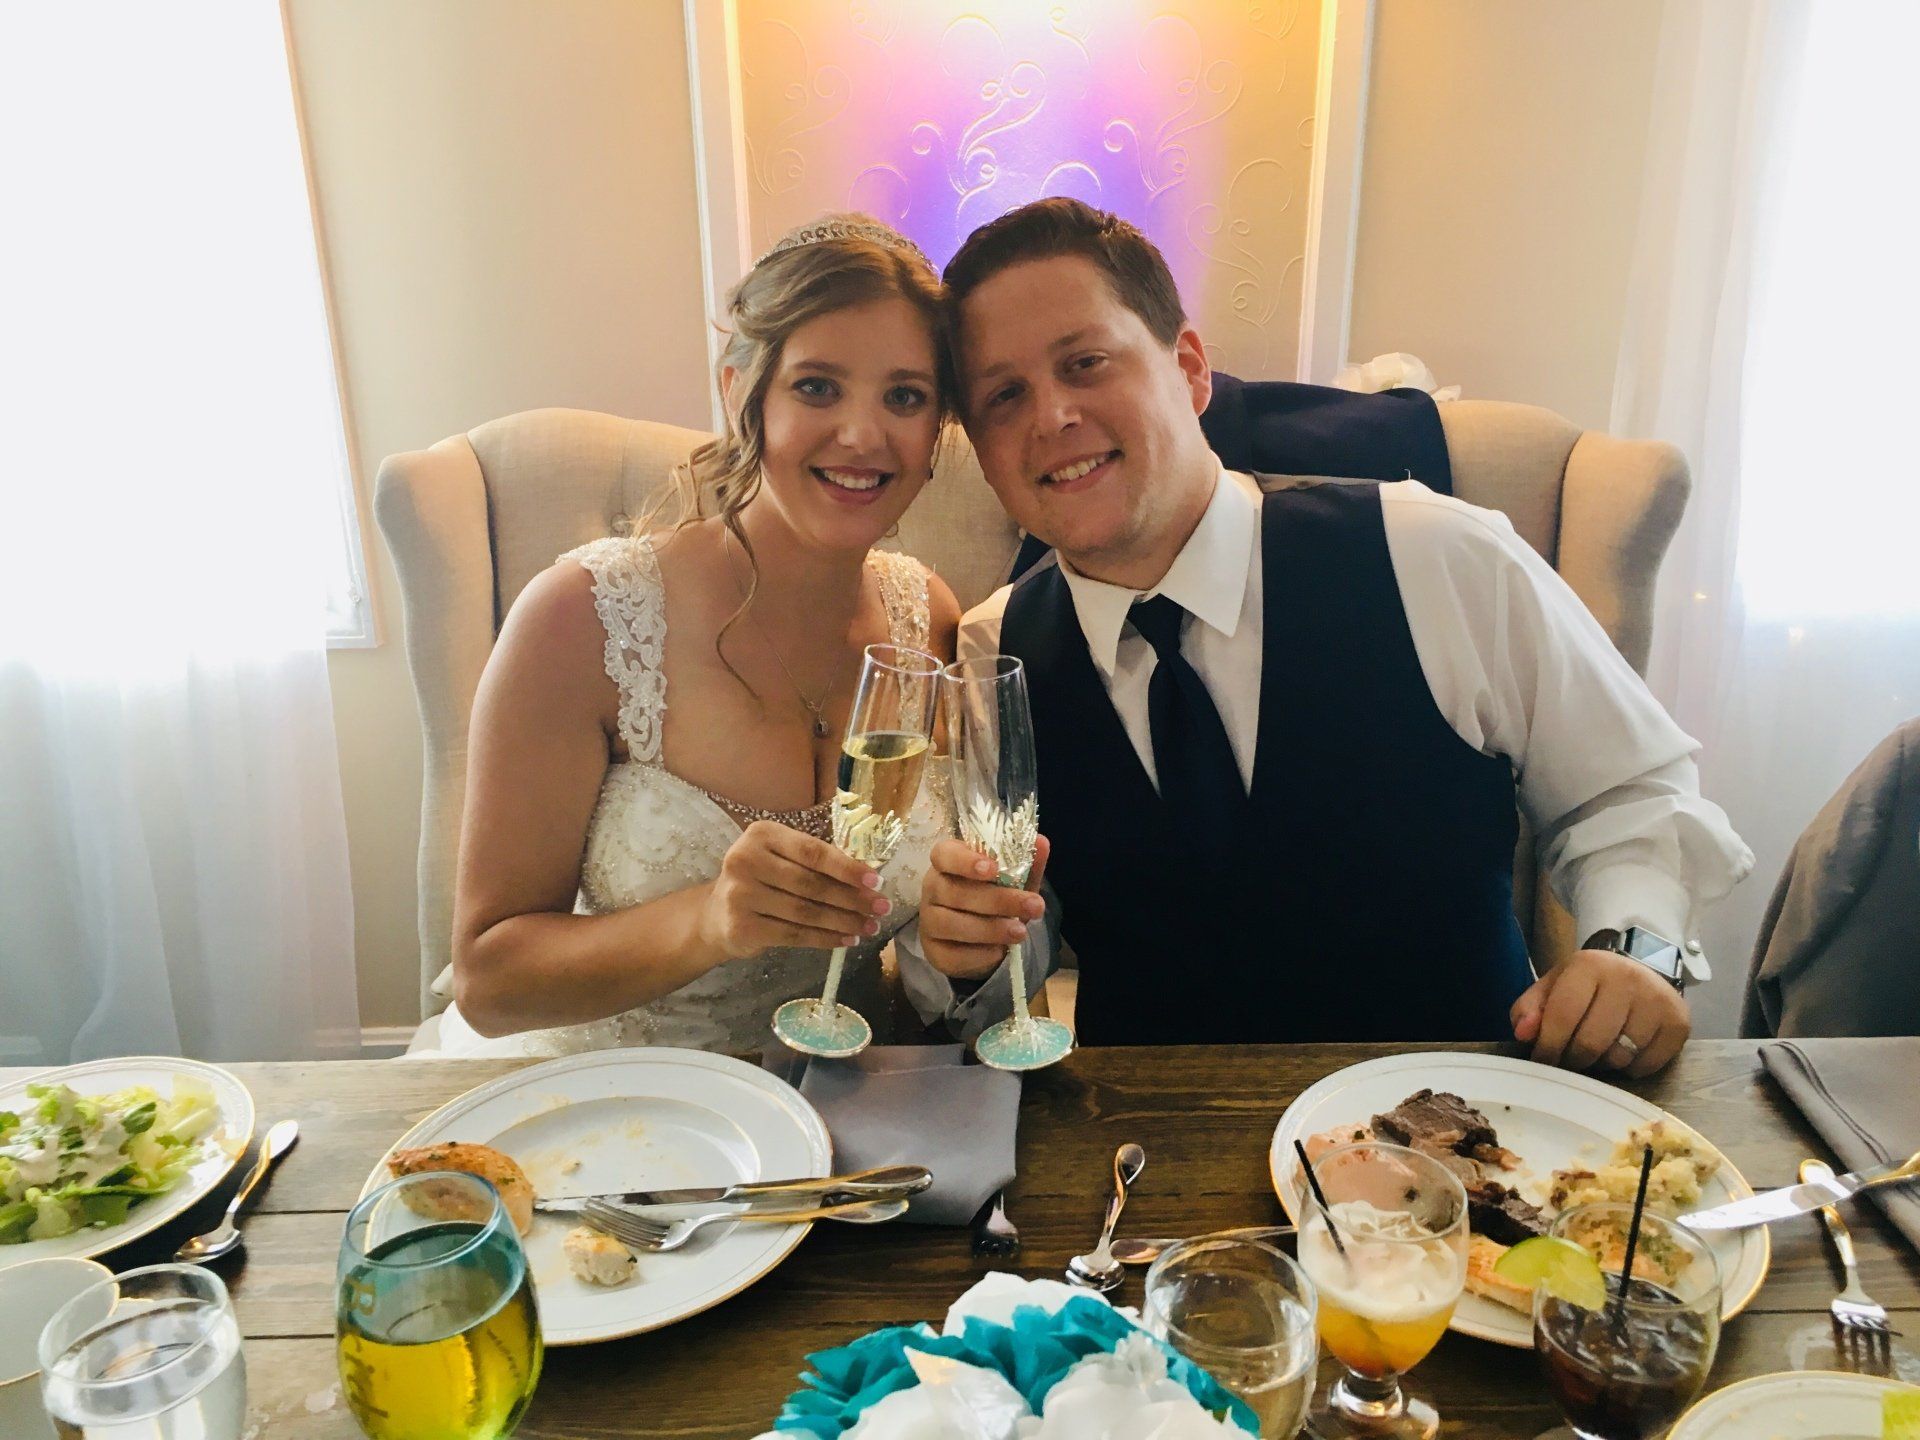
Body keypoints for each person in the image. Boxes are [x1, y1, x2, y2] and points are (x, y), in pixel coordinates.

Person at [915, 198, 1754, 1074]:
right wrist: (970, 949)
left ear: (1191, 370)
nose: (1050, 416)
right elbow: (1020, 939)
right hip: (1148, 1135)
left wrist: (1633, 951)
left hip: (1469, 1120)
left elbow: (1627, 792)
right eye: (1003, 395)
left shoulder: (1432, 552)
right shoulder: (992, 651)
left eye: (1085, 363)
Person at [432, 214, 963, 1057]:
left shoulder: (929, 621)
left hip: (849, 1096)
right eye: (817, 387)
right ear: (740, 390)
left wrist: (962, 930)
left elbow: (929, 943)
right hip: (621, 1105)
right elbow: (490, 985)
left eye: (904, 396)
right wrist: (707, 920)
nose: (863, 435)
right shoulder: (582, 620)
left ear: (937, 426)